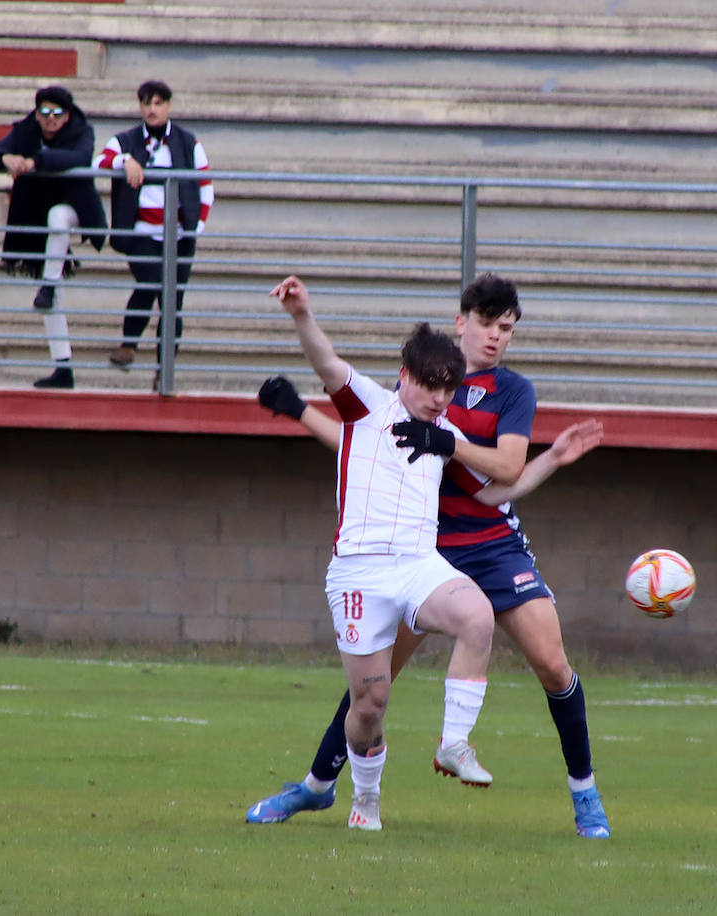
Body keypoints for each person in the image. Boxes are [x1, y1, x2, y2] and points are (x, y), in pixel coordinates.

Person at [247, 272, 613, 839]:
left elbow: (502, 479)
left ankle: (583, 792)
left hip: (488, 546)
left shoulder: (505, 394)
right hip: (425, 549)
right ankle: (318, 786)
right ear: (461, 321)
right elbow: (362, 442)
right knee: (370, 689)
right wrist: (297, 408)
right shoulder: (419, 385)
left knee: (551, 663)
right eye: (488, 324)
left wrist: (547, 459)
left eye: (508, 328)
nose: (496, 336)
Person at [266, 273, 499, 831]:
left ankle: (455, 743)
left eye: (448, 388)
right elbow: (327, 364)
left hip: (420, 563)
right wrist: (302, 313)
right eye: (429, 385)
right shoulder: (367, 404)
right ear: (404, 377)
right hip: (358, 572)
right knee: (368, 705)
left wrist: (460, 443)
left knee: (478, 616)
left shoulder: (444, 432)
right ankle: (364, 801)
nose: (439, 398)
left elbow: (500, 475)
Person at [0, 85, 108, 389]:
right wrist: (5, 159)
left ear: (67, 116)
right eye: (44, 112)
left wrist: (35, 162)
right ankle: (63, 368)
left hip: (76, 207)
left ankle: (48, 284)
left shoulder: (82, 130)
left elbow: (79, 157)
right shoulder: (27, 130)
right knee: (52, 298)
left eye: (57, 113)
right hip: (39, 215)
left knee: (58, 219)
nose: (50, 119)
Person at [95, 80, 213, 378]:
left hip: (179, 234)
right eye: (146, 103)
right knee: (149, 283)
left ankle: (164, 370)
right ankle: (128, 345)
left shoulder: (188, 141)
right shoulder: (126, 139)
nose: (152, 109)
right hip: (141, 233)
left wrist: (195, 226)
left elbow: (206, 185)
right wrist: (124, 161)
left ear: (169, 106)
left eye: (158, 103)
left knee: (173, 301)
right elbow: (98, 162)